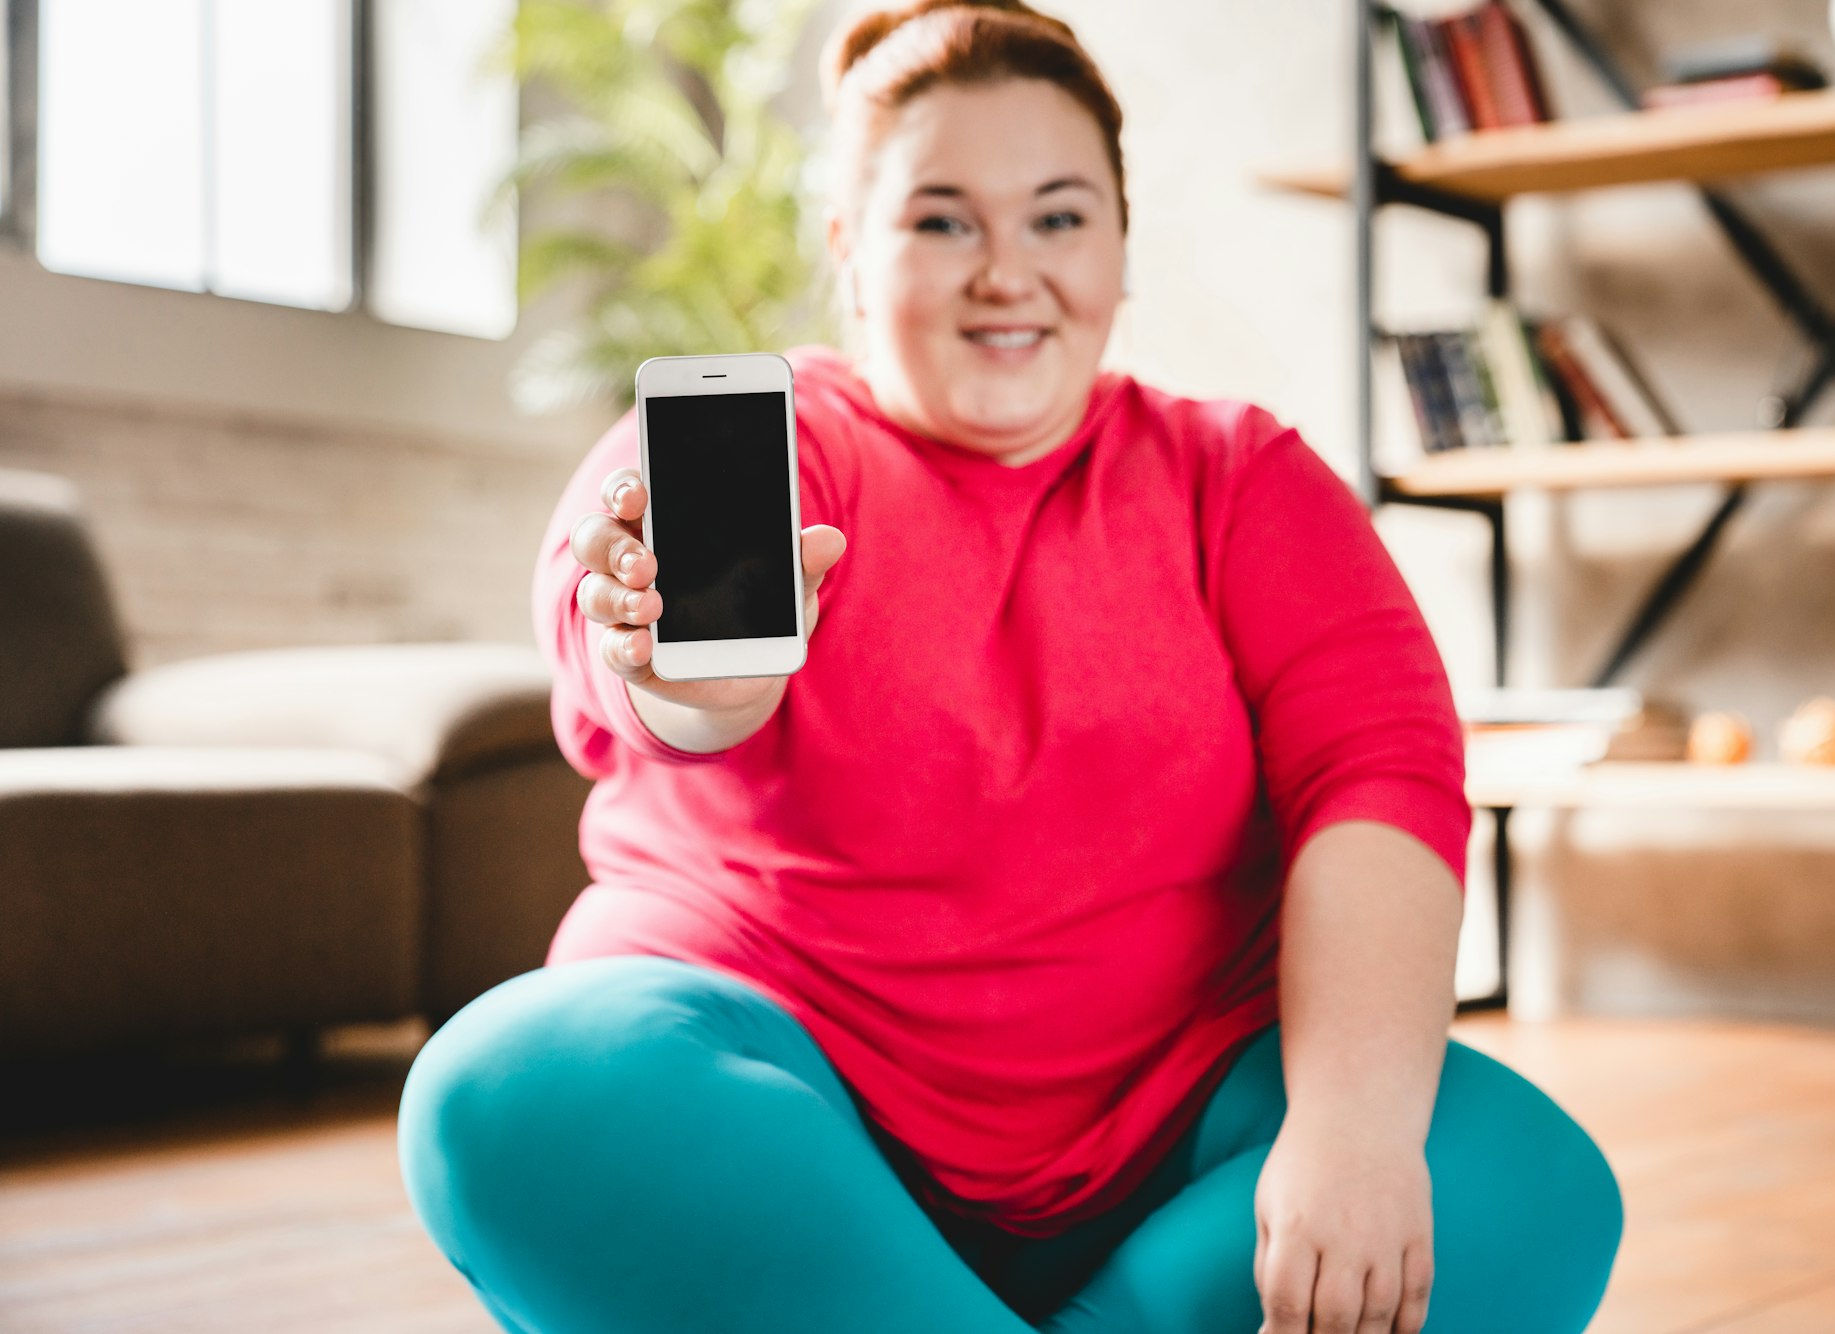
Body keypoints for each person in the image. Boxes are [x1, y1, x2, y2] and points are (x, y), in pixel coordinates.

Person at [396, 3, 1624, 1331]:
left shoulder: (1237, 475)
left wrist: (1352, 1136)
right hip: (786, 1138)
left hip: (1181, 1144)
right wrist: (693, 680)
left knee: (1530, 1186)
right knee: (510, 1092)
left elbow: (1379, 775)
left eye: (1058, 216)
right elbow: (650, 679)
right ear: (848, 251)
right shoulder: (782, 444)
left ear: (1118, 246)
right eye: (941, 219)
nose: (1007, 271)